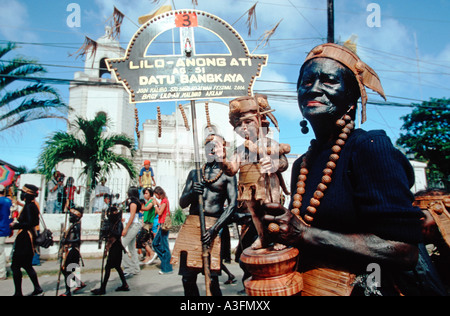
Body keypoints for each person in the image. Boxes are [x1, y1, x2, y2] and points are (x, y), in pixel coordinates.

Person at [262, 43, 425, 296]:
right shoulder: (302, 164)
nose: (314, 89)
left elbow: (404, 251)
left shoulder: (369, 147)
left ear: (351, 99)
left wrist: (305, 234)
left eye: (328, 81)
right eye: (306, 82)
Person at [219, 95, 291, 250]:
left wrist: (274, 164)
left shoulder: (270, 144)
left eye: (248, 121)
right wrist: (222, 159)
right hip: (247, 186)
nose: (243, 127)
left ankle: (280, 239)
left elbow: (284, 163)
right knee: (255, 213)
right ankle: (263, 238)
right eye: (239, 123)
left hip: (268, 185)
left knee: (272, 210)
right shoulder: (239, 150)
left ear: (260, 121)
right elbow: (231, 170)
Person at [177, 134, 238, 296]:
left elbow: (232, 206)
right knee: (187, 278)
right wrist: (192, 192)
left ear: (222, 149)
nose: (211, 148)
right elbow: (182, 203)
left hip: (213, 228)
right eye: (207, 145)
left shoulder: (228, 175)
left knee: (212, 280)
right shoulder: (195, 173)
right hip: (192, 227)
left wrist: (214, 229)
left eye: (215, 145)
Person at [10, 184, 44, 296]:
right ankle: (37, 288)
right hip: (26, 238)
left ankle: (18, 292)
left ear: (28, 195)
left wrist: (16, 225)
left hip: (25, 239)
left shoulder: (30, 206)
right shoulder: (30, 205)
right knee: (26, 265)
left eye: (23, 192)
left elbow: (30, 223)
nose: (21, 194)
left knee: (15, 266)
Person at [91, 206, 129, 295]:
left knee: (108, 267)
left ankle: (103, 288)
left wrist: (110, 230)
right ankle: (125, 284)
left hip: (117, 247)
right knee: (117, 267)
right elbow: (106, 234)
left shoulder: (119, 223)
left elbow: (118, 234)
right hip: (112, 247)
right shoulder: (109, 222)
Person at [59, 207, 85, 296]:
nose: (70, 217)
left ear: (77, 217)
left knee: (67, 270)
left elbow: (78, 239)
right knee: (66, 270)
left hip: (73, 250)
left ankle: (67, 291)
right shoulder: (73, 225)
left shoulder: (77, 226)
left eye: (72, 216)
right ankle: (79, 283)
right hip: (69, 250)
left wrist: (67, 241)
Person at [121, 186, 141, 278]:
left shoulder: (133, 203)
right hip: (134, 225)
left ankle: (128, 268)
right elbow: (132, 215)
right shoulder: (136, 202)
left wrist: (125, 229)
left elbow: (132, 216)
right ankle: (135, 268)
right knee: (132, 248)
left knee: (121, 246)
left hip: (132, 226)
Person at [152, 186, 173, 275]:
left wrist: (155, 205)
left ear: (159, 193)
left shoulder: (164, 201)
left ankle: (167, 267)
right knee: (155, 244)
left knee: (164, 246)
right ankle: (165, 260)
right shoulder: (163, 201)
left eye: (156, 195)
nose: (156, 197)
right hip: (161, 225)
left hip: (164, 225)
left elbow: (160, 212)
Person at [139, 188, 158, 265]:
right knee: (147, 240)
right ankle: (148, 256)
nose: (144, 195)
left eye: (146, 193)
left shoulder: (151, 201)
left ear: (150, 193)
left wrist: (137, 206)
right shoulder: (148, 202)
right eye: (144, 193)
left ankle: (151, 253)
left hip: (148, 223)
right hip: (147, 222)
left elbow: (147, 209)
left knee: (142, 240)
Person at [0, 185, 12, 280]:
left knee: (0, 252)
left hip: (1, 228)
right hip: (5, 228)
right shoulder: (8, 201)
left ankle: (2, 273)